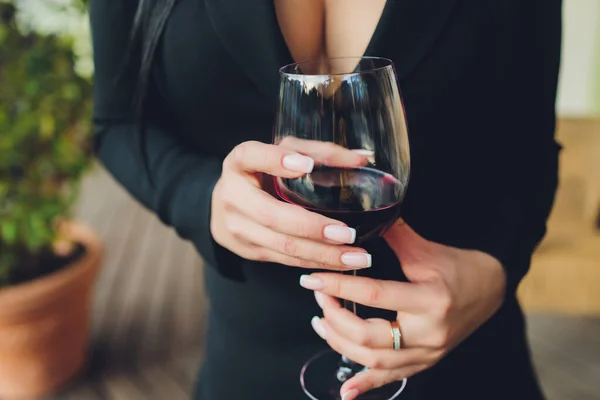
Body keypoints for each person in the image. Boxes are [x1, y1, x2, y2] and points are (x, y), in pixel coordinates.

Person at [89, 0, 562, 398]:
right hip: (249, 354)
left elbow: (529, 148)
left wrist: (495, 270)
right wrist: (202, 199)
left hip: (463, 347)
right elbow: (120, 124)